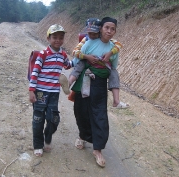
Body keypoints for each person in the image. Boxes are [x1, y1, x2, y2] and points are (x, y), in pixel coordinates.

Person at [72, 17, 119, 167]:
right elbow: (78, 62)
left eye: (112, 29)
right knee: (81, 111)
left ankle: (97, 149)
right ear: (100, 28)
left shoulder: (114, 49)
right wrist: (72, 78)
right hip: (85, 81)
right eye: (107, 27)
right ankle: (82, 136)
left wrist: (115, 94)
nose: (109, 31)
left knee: (100, 115)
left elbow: (113, 70)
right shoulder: (89, 43)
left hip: (99, 85)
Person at [61, 18, 129, 108]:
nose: (92, 36)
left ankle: (116, 100)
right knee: (79, 66)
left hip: (102, 67)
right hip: (84, 60)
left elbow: (119, 45)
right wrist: (86, 57)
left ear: (99, 31)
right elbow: (75, 52)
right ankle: (68, 83)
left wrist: (110, 53)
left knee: (114, 74)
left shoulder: (111, 42)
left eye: (95, 33)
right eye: (90, 33)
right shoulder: (86, 40)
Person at [29, 24, 70, 157]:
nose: (58, 40)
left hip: (54, 93)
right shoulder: (43, 54)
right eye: (55, 37)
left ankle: (48, 136)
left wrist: (82, 57)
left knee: (54, 118)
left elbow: (68, 65)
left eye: (61, 37)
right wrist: (31, 90)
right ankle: (38, 145)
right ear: (48, 38)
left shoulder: (63, 54)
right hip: (40, 91)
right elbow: (35, 72)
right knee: (38, 119)